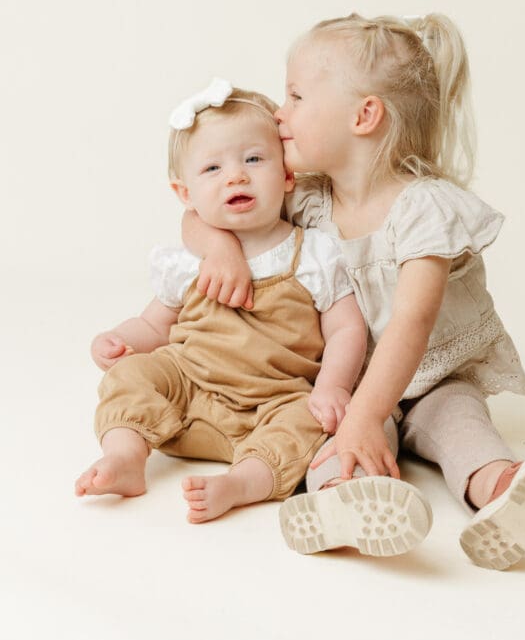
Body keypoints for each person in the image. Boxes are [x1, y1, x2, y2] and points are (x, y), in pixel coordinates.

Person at [183, 19, 525, 570]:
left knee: (459, 424)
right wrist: (220, 250)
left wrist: (364, 417)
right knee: (333, 432)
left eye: (297, 96)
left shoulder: (425, 208)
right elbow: (197, 209)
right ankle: (341, 506)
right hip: (347, 381)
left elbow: (411, 324)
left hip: (432, 377)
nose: (279, 114)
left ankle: (504, 492)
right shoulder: (307, 199)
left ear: (363, 116)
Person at [75, 79, 432, 544]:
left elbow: (347, 328)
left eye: (254, 159)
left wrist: (331, 386)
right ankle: (125, 456)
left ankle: (241, 484)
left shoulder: (313, 252)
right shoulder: (187, 259)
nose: (236, 176)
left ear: (286, 177)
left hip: (275, 399)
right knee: (134, 374)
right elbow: (154, 324)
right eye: (213, 168)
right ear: (185, 194)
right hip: (190, 391)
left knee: (310, 419)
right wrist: (122, 341)